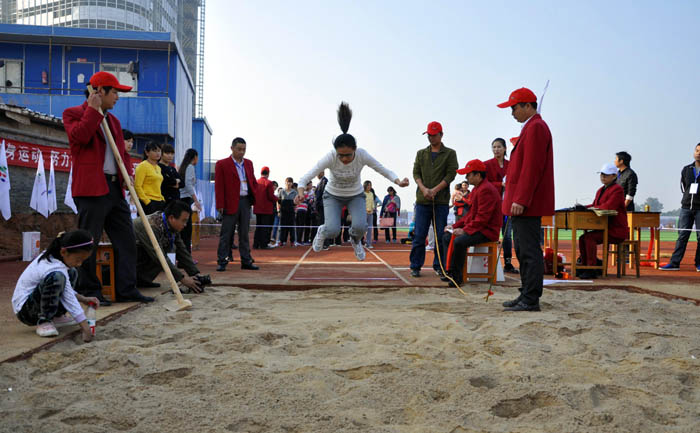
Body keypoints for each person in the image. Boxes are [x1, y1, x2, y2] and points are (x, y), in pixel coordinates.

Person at [62, 71, 153, 305]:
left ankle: (126, 288)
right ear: (99, 91)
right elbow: (80, 137)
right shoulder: (73, 113)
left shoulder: (114, 122)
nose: (117, 97)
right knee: (88, 242)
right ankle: (91, 290)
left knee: (126, 239)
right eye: (114, 92)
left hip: (114, 188)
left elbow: (122, 154)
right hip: (91, 189)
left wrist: (128, 175)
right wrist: (93, 111)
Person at [296, 102, 409, 260]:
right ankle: (322, 231)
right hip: (333, 195)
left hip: (355, 195)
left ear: (355, 149)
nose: (344, 159)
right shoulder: (330, 157)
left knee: (361, 227)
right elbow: (305, 178)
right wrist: (301, 192)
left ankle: (355, 240)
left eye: (348, 155)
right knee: (333, 231)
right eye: (340, 155)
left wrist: (398, 181)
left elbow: (381, 169)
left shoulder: (362, 155)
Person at [497, 87, 554, 312]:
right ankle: (526, 293)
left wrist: (521, 199)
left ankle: (531, 298)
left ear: (527, 106)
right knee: (522, 249)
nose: (512, 113)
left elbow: (532, 168)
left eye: (514, 108)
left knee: (528, 250)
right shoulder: (530, 127)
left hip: (526, 204)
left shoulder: (536, 127)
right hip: (522, 202)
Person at [12, 230, 98, 341]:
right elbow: (68, 297)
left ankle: (56, 316)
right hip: (26, 312)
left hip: (37, 302)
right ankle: (44, 321)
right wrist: (85, 327)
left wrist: (84, 299)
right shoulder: (53, 267)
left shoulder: (57, 259)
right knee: (57, 277)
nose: (79, 264)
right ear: (64, 252)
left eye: (82, 260)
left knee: (72, 272)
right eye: (78, 259)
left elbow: (66, 289)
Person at [441, 160, 502, 287]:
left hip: (487, 231)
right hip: (480, 227)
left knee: (459, 241)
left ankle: (457, 278)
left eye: (468, 174)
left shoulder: (486, 190)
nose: (466, 177)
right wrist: (454, 226)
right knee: (447, 236)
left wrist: (464, 230)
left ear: (478, 175)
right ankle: (450, 271)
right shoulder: (477, 189)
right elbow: (470, 215)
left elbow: (483, 218)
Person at [410, 121, 459, 277]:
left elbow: (451, 174)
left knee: (439, 235)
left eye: (434, 135)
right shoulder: (421, 153)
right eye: (429, 135)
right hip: (422, 200)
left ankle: (440, 266)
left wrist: (435, 190)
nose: (431, 138)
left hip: (440, 202)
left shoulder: (450, 153)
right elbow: (416, 173)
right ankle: (415, 266)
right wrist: (424, 189)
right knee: (419, 235)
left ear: (441, 135)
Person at [133, 200, 205, 293]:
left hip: (139, 253)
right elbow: (160, 257)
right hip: (125, 255)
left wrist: (195, 274)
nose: (185, 225)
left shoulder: (170, 226)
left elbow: (182, 250)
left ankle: (142, 280)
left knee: (169, 247)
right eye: (183, 221)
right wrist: (182, 279)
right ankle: (134, 281)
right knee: (160, 253)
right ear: (171, 218)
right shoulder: (152, 226)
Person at [576, 163, 629, 279]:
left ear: (614, 176)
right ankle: (584, 265)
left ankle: (592, 268)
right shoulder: (600, 190)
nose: (603, 177)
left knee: (589, 238)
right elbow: (595, 205)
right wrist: (583, 208)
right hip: (604, 227)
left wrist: (589, 208)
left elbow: (609, 206)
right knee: (582, 238)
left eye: (606, 175)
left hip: (616, 229)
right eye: (602, 175)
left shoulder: (618, 190)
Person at [215, 137, 259, 272]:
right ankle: (222, 261)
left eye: (244, 149)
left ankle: (246, 260)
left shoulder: (249, 163)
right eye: (239, 149)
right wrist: (220, 204)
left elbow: (252, 180)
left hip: (245, 201)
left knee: (244, 233)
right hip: (230, 203)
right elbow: (219, 186)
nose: (242, 152)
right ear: (232, 148)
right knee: (226, 233)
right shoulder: (222, 164)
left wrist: (254, 193)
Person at [661, 143, 700, 271]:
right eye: (697, 150)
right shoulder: (687, 169)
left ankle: (699, 263)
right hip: (686, 207)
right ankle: (674, 263)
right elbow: (684, 186)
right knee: (682, 235)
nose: (698, 153)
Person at [484, 137, 518, 274]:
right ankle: (489, 263)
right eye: (494, 147)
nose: (496, 149)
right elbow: (484, 183)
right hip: (493, 205)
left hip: (507, 205)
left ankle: (508, 263)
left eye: (499, 147)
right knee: (492, 233)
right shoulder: (487, 164)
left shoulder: (511, 164)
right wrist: (500, 184)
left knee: (507, 235)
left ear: (505, 149)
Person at [178, 148, 202, 252]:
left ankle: (184, 254)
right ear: (195, 157)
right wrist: (196, 200)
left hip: (182, 199)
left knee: (183, 228)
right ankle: (186, 254)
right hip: (186, 200)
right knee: (187, 229)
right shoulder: (190, 167)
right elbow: (188, 185)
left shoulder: (184, 167)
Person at [134, 141, 165, 214]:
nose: (158, 153)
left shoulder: (158, 168)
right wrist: (147, 202)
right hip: (148, 202)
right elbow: (137, 186)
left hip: (159, 201)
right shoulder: (142, 166)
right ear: (147, 153)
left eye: (159, 151)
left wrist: (162, 199)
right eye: (154, 151)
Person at [253, 166, 278, 249]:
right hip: (266, 209)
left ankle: (256, 244)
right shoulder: (269, 183)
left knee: (258, 227)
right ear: (268, 173)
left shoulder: (256, 182)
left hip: (257, 208)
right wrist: (277, 199)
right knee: (265, 227)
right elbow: (271, 196)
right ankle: (263, 244)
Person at [278, 177, 297, 246]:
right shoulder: (281, 191)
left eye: (290, 182)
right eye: (287, 182)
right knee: (282, 227)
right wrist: (278, 211)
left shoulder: (295, 192)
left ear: (292, 183)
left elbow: (296, 203)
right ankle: (282, 241)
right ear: (285, 183)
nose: (289, 183)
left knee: (291, 227)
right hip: (283, 211)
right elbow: (278, 202)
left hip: (291, 211)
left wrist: (295, 211)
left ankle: (292, 241)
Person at [363, 180, 377, 248]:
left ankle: (368, 243)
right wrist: (366, 209)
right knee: (362, 228)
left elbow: (372, 202)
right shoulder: (362, 194)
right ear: (365, 186)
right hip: (363, 213)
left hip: (370, 213)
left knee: (369, 229)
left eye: (370, 185)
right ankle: (360, 242)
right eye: (368, 185)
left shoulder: (371, 193)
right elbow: (361, 203)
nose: (369, 186)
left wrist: (373, 208)